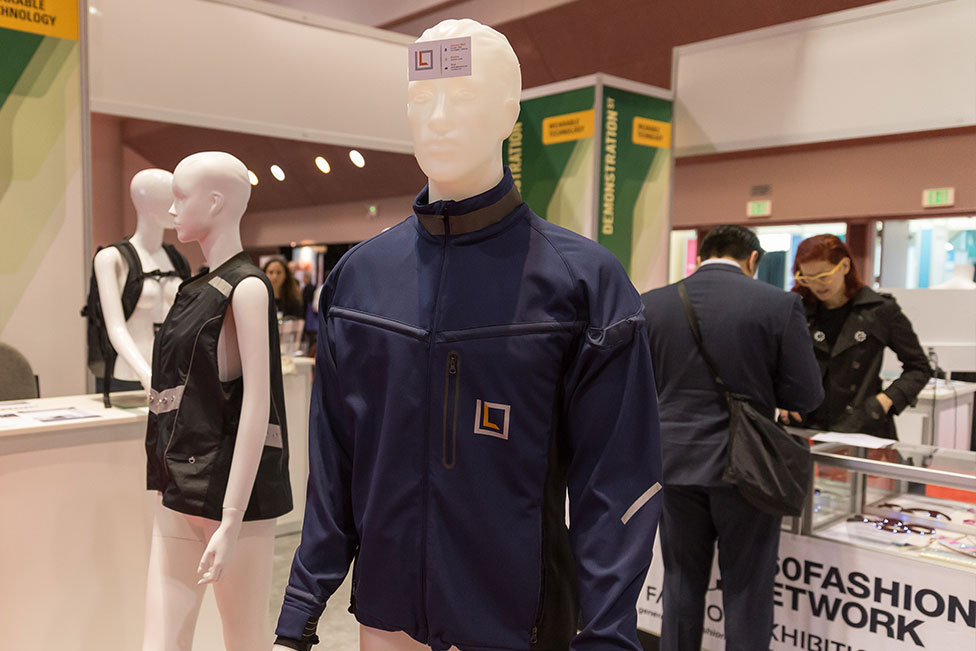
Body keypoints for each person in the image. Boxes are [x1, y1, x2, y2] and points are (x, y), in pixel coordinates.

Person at [274, 18, 662, 651]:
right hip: (386, 622)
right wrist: (300, 610)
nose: (439, 119)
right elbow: (335, 464)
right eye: (422, 99)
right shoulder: (359, 279)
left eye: (464, 96)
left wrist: (608, 634)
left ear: (509, 111)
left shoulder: (581, 284)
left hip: (517, 624)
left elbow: (618, 480)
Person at [641, 225, 823, 651]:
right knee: (747, 589)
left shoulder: (652, 304)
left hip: (673, 461)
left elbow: (640, 385)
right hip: (747, 464)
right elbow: (807, 395)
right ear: (753, 258)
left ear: (701, 255)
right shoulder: (779, 304)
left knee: (680, 581)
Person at [143, 151, 292, 651]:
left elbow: (258, 404)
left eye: (180, 197)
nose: (171, 210)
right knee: (161, 642)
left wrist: (231, 517)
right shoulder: (197, 288)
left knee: (243, 639)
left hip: (232, 495)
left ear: (214, 202)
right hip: (180, 486)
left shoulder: (246, 288)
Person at [782, 234, 931, 438]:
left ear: (844, 266)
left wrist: (884, 401)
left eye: (823, 276)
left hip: (862, 426)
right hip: (804, 425)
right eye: (807, 278)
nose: (817, 285)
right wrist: (783, 396)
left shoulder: (879, 310)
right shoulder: (797, 311)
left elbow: (919, 368)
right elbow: (780, 362)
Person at [92, 168, 189, 393]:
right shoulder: (111, 258)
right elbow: (115, 327)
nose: (176, 209)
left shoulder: (177, 259)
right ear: (147, 205)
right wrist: (146, 375)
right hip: (130, 373)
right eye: (171, 199)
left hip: (173, 372)